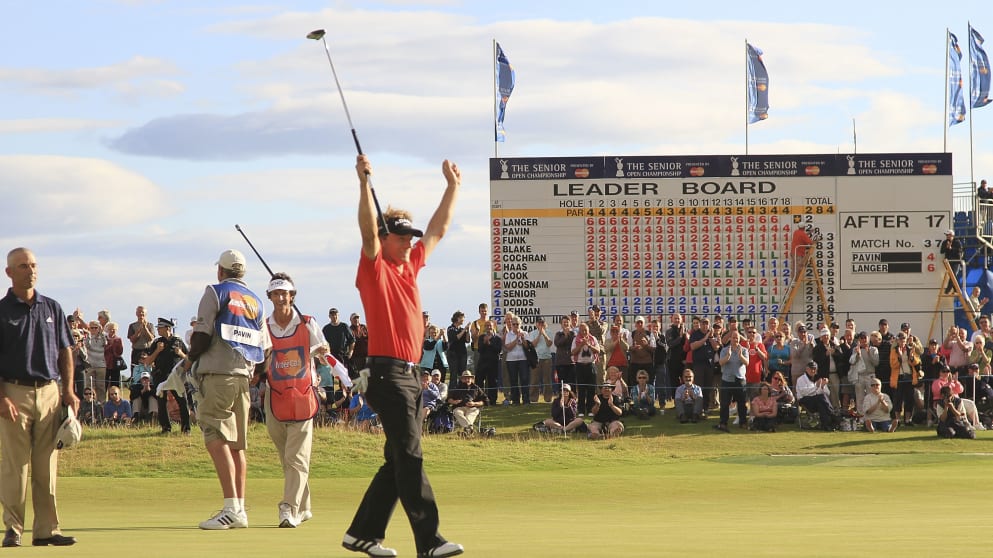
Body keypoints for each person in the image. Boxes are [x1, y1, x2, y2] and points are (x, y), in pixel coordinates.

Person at [341, 154, 463, 558]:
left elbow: (438, 230)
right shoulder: (373, 267)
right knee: (411, 455)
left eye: (411, 236)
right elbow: (366, 232)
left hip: (412, 376)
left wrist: (452, 188)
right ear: (385, 236)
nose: (411, 241)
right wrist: (363, 184)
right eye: (403, 235)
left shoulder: (409, 264)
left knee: (397, 460)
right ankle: (429, 542)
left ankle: (362, 534)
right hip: (386, 376)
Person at [185, 249, 271, 530]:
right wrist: (255, 375)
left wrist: (187, 361)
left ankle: (231, 508)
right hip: (243, 379)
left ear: (220, 271)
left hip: (217, 375)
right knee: (236, 446)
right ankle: (240, 510)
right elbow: (265, 350)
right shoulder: (256, 301)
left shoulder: (215, 291)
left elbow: (200, 336)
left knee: (215, 437)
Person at [0, 247, 79, 547]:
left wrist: (68, 391)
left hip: (49, 392)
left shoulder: (52, 308)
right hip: (13, 392)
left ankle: (47, 530)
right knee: (15, 465)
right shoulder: (2, 311)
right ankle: (14, 528)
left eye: (33, 265)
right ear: (9, 272)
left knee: (47, 466)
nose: (30, 270)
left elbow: (65, 351)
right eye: (23, 266)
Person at [263, 273, 326, 528]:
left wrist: (322, 352)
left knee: (297, 458)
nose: (280, 298)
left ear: (292, 296)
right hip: (274, 396)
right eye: (275, 294)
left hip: (302, 394)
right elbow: (259, 359)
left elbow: (323, 352)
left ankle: (289, 508)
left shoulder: (308, 323)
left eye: (284, 293)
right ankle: (305, 505)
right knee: (287, 458)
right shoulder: (263, 326)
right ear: (270, 297)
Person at [144, 318, 190, 434]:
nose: (158, 329)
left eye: (160, 327)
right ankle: (166, 429)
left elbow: (189, 360)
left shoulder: (178, 341)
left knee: (182, 401)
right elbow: (148, 361)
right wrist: (158, 351)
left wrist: (180, 353)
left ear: (168, 328)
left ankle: (186, 429)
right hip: (161, 376)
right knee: (161, 402)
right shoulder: (156, 342)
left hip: (176, 376)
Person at [715, 332, 749, 432]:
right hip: (727, 380)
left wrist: (740, 356)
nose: (735, 340)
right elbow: (721, 362)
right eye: (734, 338)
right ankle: (723, 423)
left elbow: (747, 363)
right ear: (730, 339)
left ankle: (743, 422)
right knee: (725, 403)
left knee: (742, 403)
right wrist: (728, 356)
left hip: (740, 380)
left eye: (737, 338)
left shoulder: (744, 350)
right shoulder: (725, 350)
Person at [571, 322, 601, 416]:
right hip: (580, 365)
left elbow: (598, 350)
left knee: (591, 389)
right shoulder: (576, 339)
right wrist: (581, 345)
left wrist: (589, 345)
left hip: (590, 365)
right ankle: (581, 410)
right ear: (579, 331)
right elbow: (573, 352)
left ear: (588, 331)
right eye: (582, 330)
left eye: (586, 330)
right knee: (581, 388)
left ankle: (590, 410)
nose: (584, 332)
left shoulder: (593, 339)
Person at [796, 361, 835, 431]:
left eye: (814, 369)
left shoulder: (818, 379)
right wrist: (816, 387)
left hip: (817, 401)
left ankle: (826, 425)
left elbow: (827, 393)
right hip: (804, 401)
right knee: (821, 398)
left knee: (821, 403)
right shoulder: (801, 379)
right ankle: (832, 414)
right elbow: (804, 392)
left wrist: (822, 386)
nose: (813, 371)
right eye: (811, 369)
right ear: (807, 369)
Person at [446, 370, 488, 435]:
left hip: (472, 408)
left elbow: (485, 401)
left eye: (469, 378)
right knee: (457, 412)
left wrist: (474, 403)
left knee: (472, 413)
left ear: (471, 379)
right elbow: (448, 399)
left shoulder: (476, 388)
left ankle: (467, 430)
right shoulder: (457, 388)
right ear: (462, 379)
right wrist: (454, 402)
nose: (467, 379)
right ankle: (470, 429)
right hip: (459, 407)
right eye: (465, 378)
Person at [527, 317, 554, 403]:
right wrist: (539, 334)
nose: (541, 324)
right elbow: (533, 345)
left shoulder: (549, 332)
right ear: (536, 324)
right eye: (539, 323)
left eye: (542, 323)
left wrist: (544, 334)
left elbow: (549, 344)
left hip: (547, 359)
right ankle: (534, 399)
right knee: (534, 379)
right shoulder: (532, 333)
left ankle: (548, 399)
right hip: (536, 359)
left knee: (547, 380)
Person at [474, 320, 501, 405]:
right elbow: (480, 350)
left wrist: (489, 343)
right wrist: (484, 343)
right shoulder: (481, 337)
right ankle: (480, 399)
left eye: (490, 326)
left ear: (493, 326)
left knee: (492, 382)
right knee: (479, 382)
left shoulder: (497, 338)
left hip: (493, 363)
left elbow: (498, 350)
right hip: (482, 363)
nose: (488, 327)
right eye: (487, 326)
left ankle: (492, 401)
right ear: (485, 327)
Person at [323, 308, 355, 377]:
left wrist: (350, 352)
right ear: (329, 316)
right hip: (332, 357)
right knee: (336, 377)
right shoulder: (326, 329)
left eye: (335, 314)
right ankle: (337, 388)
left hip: (344, 356)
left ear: (338, 315)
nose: (334, 316)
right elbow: (323, 343)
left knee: (345, 375)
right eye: (332, 315)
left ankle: (347, 388)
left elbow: (352, 341)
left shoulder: (344, 326)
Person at [83, 320, 108, 402]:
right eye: (92, 328)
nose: (94, 329)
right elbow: (87, 345)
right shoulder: (88, 337)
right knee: (90, 386)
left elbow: (105, 343)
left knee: (100, 386)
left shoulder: (103, 336)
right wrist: (89, 335)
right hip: (90, 365)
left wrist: (101, 332)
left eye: (95, 328)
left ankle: (102, 404)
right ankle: (91, 404)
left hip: (101, 365)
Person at [445, 311, 469, 381]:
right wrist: (464, 330)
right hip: (453, 354)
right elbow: (456, 338)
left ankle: (462, 389)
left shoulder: (462, 329)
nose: (463, 320)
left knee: (462, 373)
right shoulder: (450, 328)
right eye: (461, 318)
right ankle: (453, 390)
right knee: (454, 373)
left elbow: (467, 340)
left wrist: (467, 331)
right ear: (457, 318)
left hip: (462, 353)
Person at [104, 321, 125, 396]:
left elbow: (120, 352)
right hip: (106, 363)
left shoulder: (118, 339)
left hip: (115, 364)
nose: (112, 331)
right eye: (110, 329)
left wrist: (116, 345)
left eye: (114, 329)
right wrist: (110, 345)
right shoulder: (105, 338)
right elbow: (103, 350)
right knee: (104, 384)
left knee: (115, 383)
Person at [940, 229, 964, 294]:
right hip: (948, 262)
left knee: (953, 275)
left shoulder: (957, 242)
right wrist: (946, 247)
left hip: (956, 262)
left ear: (952, 235)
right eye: (947, 235)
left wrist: (951, 248)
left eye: (948, 235)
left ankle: (948, 290)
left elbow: (959, 252)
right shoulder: (945, 242)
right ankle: (956, 290)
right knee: (952, 276)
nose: (947, 236)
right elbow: (941, 251)